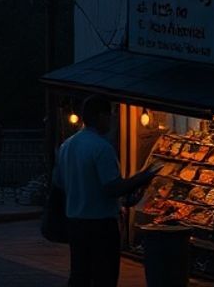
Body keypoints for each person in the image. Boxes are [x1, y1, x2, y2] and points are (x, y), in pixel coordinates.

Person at [53, 95, 157, 287]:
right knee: (104, 276)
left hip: (75, 222)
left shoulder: (67, 146)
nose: (112, 120)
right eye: (110, 116)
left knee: (80, 274)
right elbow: (112, 187)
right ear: (101, 116)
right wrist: (141, 178)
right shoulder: (102, 148)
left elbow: (59, 182)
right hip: (100, 224)